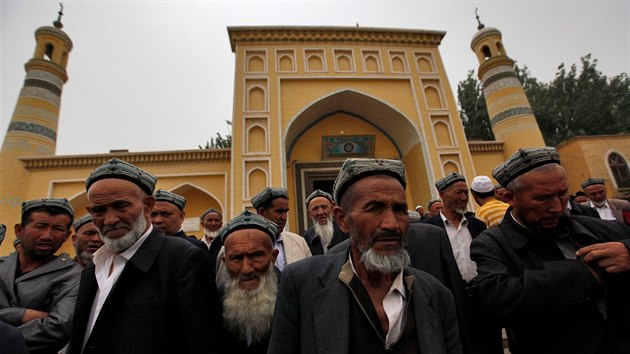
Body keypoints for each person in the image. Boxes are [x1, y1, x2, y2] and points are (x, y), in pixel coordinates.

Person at [268, 158, 462, 353]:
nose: (391, 224)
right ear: (342, 219)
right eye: (374, 209)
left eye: (399, 209)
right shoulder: (301, 284)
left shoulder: (438, 295)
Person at [471, 147, 630, 354]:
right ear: (510, 197)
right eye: (543, 198)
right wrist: (586, 274)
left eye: (562, 194)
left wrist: (627, 251)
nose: (557, 207)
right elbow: (495, 300)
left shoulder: (598, 228)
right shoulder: (492, 244)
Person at [67, 158, 222, 354]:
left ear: (148, 206)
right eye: (99, 210)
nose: (110, 219)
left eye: (121, 206)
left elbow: (204, 342)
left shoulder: (182, 258)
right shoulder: (94, 266)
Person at [422, 174, 503, 353]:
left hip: (481, 297)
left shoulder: (478, 226)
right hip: (451, 300)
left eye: (466, 193)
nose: (464, 198)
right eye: (458, 192)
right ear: (442, 194)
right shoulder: (430, 229)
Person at [0, 198, 81, 354]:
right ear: (19, 230)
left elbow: (58, 328)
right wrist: (23, 314)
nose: (47, 235)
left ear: (67, 236)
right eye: (40, 226)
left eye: (57, 229)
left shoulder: (75, 276)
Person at [219, 209, 280, 354]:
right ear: (224, 261)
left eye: (256, 255)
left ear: (273, 256)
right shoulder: (214, 299)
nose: (246, 269)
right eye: (236, 258)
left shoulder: (293, 295)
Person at [251, 187, 311, 271]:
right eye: (279, 211)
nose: (284, 217)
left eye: (286, 212)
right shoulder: (242, 245)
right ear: (262, 212)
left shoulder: (299, 242)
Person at [301, 189, 347, 255]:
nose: (320, 212)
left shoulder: (345, 230)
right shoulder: (307, 238)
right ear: (309, 214)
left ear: (332, 209)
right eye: (315, 209)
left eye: (324, 207)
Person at [201, 207, 224, 276]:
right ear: (202, 224)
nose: (213, 223)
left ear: (221, 224)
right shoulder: (196, 244)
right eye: (209, 220)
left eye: (217, 220)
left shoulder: (225, 243)